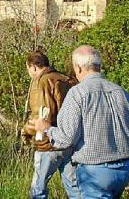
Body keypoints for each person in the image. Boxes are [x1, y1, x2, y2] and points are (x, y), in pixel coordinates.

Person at [33, 45, 129, 198]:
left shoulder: (78, 93)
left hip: (95, 172)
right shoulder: (120, 92)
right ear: (99, 66)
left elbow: (66, 138)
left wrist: (47, 129)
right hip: (125, 169)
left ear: (79, 68)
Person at [21, 50, 80, 199]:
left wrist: (26, 131)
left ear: (33, 67)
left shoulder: (42, 81)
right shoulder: (65, 79)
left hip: (49, 143)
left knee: (38, 189)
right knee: (75, 189)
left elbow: (41, 115)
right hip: (69, 140)